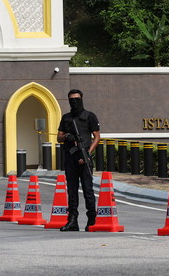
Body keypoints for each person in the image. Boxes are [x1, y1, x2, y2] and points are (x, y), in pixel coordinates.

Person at [57, 89, 101, 231]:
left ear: (81, 99)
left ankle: (92, 220)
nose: (74, 102)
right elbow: (59, 137)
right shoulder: (66, 118)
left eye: (76, 99)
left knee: (88, 190)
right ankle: (72, 220)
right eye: (71, 99)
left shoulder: (89, 116)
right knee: (72, 190)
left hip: (85, 157)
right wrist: (67, 136)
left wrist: (87, 154)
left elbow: (97, 137)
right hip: (70, 158)